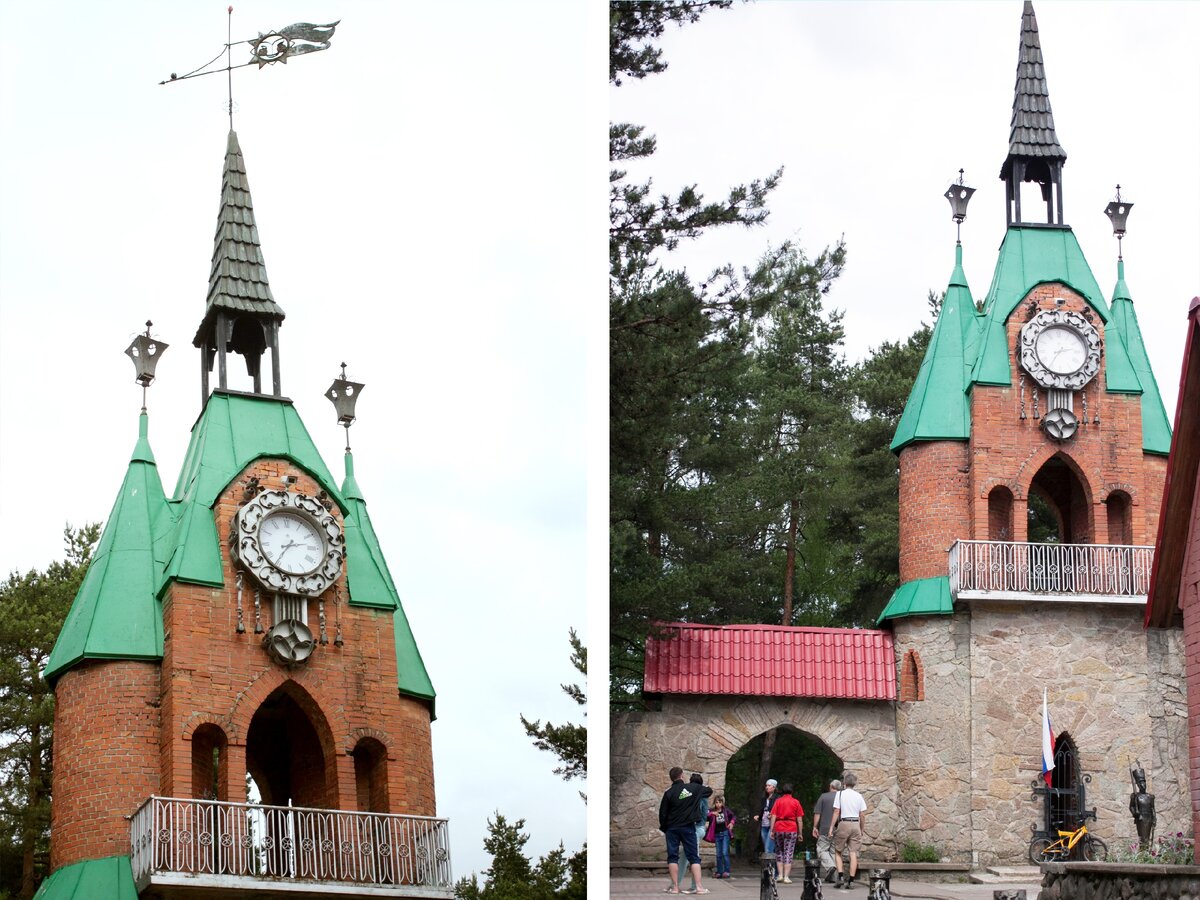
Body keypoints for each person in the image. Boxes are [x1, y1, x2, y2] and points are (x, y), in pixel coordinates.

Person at [659, 765, 713, 894]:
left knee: (672, 857)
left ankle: (675, 887)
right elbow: (709, 791)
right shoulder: (691, 788)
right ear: (682, 775)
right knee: (694, 857)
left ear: (671, 778)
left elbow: (663, 813)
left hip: (672, 828)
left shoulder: (668, 792)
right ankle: (699, 887)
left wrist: (665, 828)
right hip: (688, 827)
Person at [831, 772, 867, 890]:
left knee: (838, 851)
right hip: (855, 823)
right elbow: (862, 814)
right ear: (855, 783)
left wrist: (831, 827)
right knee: (853, 853)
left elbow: (836, 811)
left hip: (844, 823)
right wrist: (861, 828)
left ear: (844, 783)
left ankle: (840, 877)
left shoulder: (840, 794)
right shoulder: (859, 796)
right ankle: (851, 881)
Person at [769, 783, 805, 884]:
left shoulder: (778, 801)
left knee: (779, 852)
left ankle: (779, 875)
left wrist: (772, 830)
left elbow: (773, 816)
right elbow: (800, 820)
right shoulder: (796, 802)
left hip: (779, 827)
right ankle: (786, 877)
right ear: (792, 791)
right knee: (788, 852)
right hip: (791, 828)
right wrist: (800, 833)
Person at [812, 778, 842, 883]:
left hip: (825, 828)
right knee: (834, 852)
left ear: (830, 786)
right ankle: (834, 878)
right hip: (839, 829)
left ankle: (830, 867)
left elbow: (817, 813)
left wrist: (815, 827)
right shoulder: (842, 797)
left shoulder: (823, 797)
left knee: (821, 850)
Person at [705, 795, 737, 879]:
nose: (718, 804)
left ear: (723, 803)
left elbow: (733, 816)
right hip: (716, 834)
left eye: (720, 802)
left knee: (724, 853)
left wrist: (732, 823)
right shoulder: (712, 811)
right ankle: (719, 871)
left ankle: (726, 871)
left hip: (725, 833)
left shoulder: (726, 810)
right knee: (718, 854)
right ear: (714, 803)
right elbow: (705, 815)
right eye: (716, 802)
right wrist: (712, 813)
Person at [687, 774, 709, 893]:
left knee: (693, 857)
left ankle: (695, 885)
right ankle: (677, 884)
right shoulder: (704, 795)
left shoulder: (696, 796)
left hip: (695, 827)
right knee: (688, 857)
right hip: (699, 827)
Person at [752, 778, 779, 855]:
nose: (767, 787)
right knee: (768, 848)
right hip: (764, 825)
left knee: (768, 848)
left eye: (769, 785)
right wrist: (759, 817)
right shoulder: (764, 799)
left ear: (774, 787)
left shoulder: (777, 798)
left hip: (772, 826)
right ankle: (773, 866)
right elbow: (763, 810)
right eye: (766, 785)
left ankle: (769, 866)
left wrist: (773, 815)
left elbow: (778, 811)